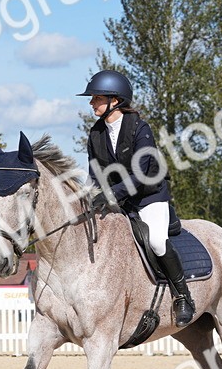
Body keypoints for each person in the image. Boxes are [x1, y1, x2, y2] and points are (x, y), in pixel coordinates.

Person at [79, 69, 194, 325]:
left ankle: (182, 296)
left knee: (156, 242)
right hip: (120, 201)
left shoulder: (140, 129)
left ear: (115, 100)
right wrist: (87, 198)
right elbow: (94, 174)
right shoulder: (95, 134)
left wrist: (110, 195)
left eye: (96, 98)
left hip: (149, 197)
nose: (91, 103)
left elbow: (142, 174)